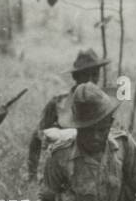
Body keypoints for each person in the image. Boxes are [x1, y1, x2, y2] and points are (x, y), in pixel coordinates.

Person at [27, 49, 105, 179]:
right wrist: (32, 175)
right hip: (63, 172)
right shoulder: (59, 103)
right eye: (86, 75)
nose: (91, 81)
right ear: (76, 77)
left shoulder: (106, 103)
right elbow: (37, 138)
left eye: (95, 75)